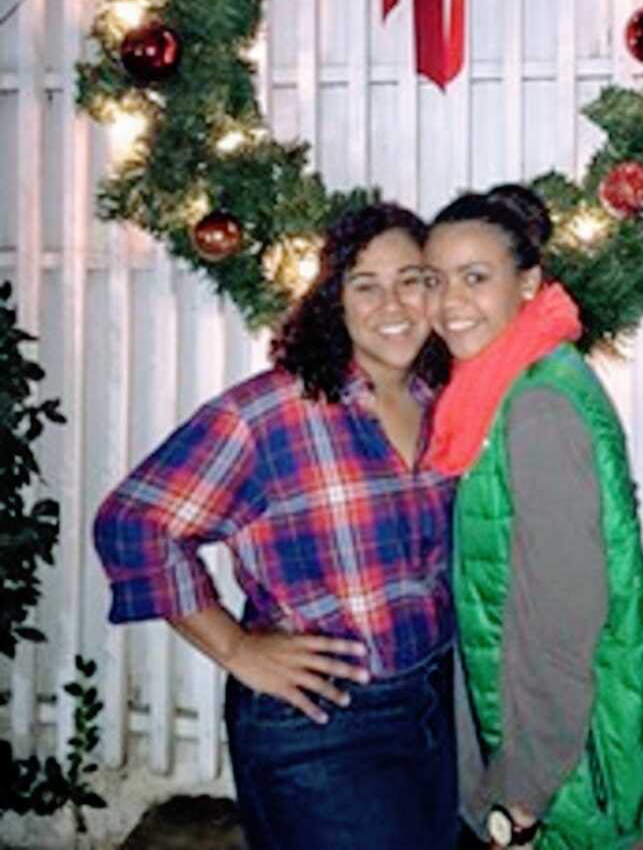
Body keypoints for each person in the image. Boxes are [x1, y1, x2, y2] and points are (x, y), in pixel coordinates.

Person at [94, 203, 457, 850]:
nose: (392, 303)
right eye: (364, 285)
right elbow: (134, 523)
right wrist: (236, 648)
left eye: (412, 279)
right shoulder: (270, 412)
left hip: (431, 702)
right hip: (323, 721)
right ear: (333, 302)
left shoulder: (442, 403)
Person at [424, 185, 643, 850]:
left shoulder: (537, 407)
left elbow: (562, 618)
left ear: (528, 283)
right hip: (585, 735)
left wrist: (524, 789)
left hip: (580, 759)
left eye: (475, 278)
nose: (450, 303)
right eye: (435, 280)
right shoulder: (502, 382)